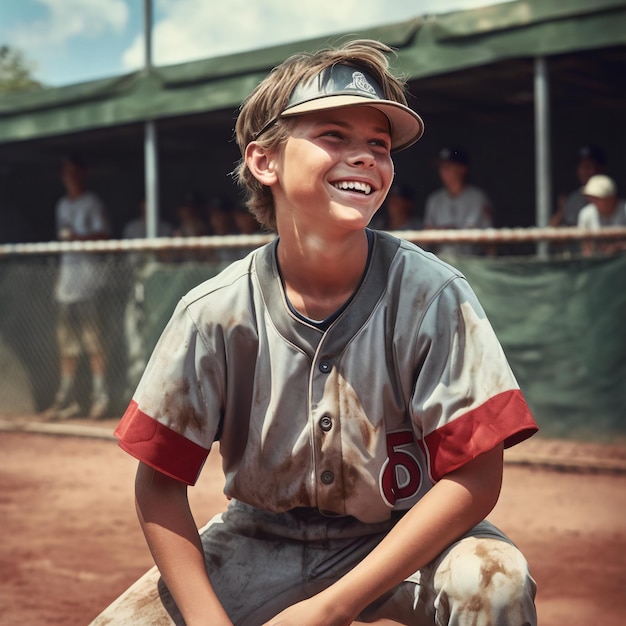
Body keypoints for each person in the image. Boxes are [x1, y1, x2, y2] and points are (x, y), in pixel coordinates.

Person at [112, 39, 538, 626]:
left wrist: (331, 607)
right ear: (265, 162)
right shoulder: (212, 311)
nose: (364, 156)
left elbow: (476, 476)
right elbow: (158, 486)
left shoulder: (432, 294)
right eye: (334, 136)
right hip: (261, 536)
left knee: (494, 583)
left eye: (378, 145)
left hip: (405, 532)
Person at [43, 155, 111, 420]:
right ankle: (66, 400)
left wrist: (77, 238)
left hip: (89, 285)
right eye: (65, 172)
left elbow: (103, 234)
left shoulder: (91, 201)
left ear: (82, 173)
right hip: (67, 287)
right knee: (67, 347)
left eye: (73, 172)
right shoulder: (61, 204)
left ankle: (100, 398)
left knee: (94, 343)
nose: (69, 176)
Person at [423, 147, 494, 256]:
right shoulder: (434, 200)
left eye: (448, 167)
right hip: (441, 262)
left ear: (463, 169)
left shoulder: (478, 198)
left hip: (472, 263)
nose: (443, 171)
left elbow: (490, 241)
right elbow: (425, 239)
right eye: (441, 167)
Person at [550, 144, 606, 228]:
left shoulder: (609, 195)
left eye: (588, 167)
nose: (584, 172)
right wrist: (561, 211)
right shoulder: (573, 198)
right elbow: (551, 234)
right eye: (581, 167)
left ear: (601, 169)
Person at [577, 174, 626, 256]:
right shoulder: (586, 214)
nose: (593, 201)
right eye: (591, 197)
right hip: (598, 264)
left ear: (611, 198)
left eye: (597, 197)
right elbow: (586, 250)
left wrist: (617, 247)